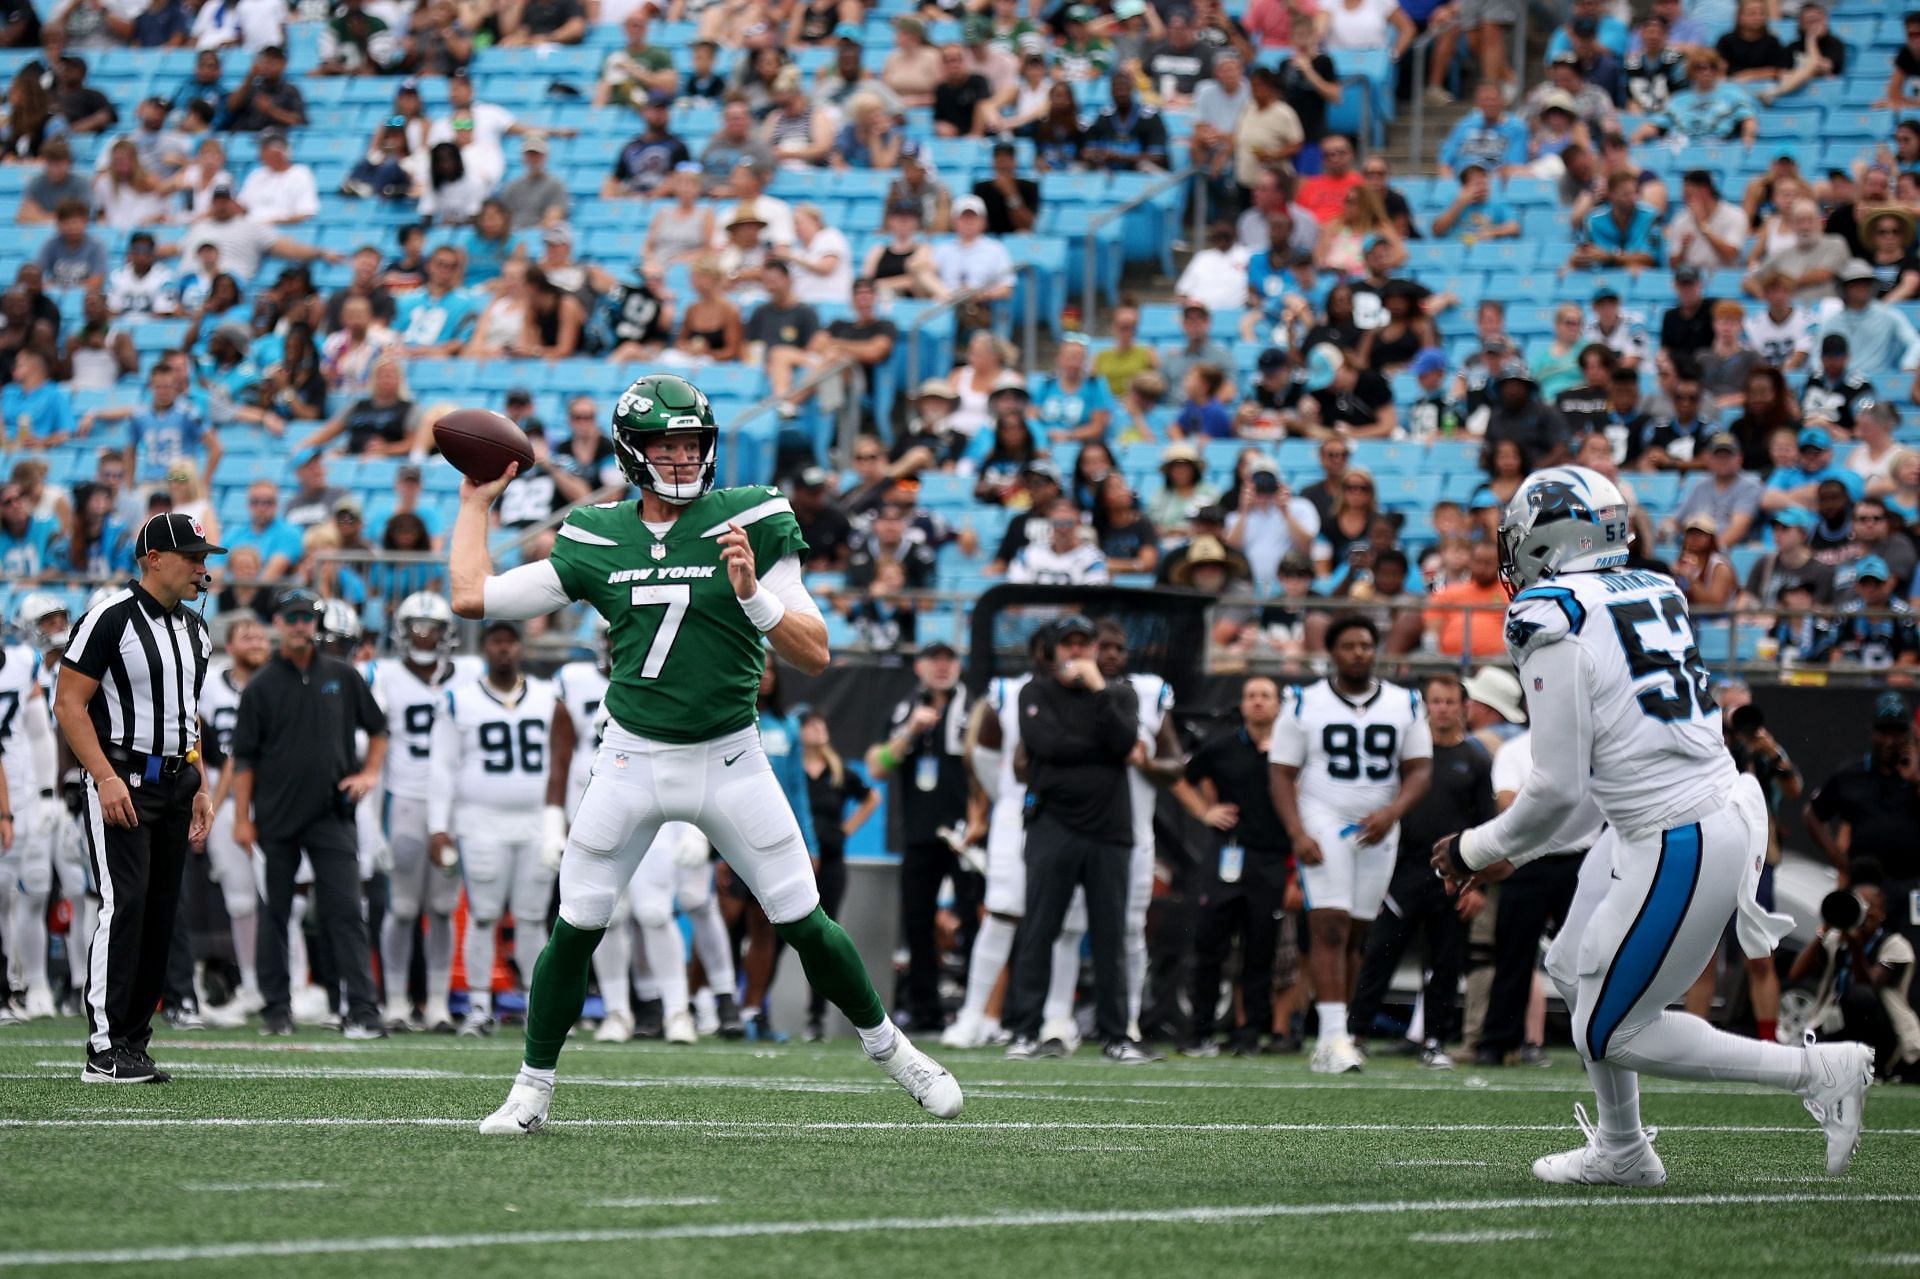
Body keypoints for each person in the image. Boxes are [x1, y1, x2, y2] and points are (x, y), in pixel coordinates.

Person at [451, 374, 962, 1130]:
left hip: (730, 757)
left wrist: (756, 594)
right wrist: (474, 502)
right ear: (633, 452)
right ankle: (531, 1087)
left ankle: (897, 1053)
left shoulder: (751, 516)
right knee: (578, 922)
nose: (684, 457)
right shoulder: (597, 533)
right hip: (630, 757)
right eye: (667, 443)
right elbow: (473, 596)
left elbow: (815, 653)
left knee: (803, 917)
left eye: (692, 442)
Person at [1432, 464, 1875, 1188]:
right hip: (1668, 817)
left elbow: (1556, 787)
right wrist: (1519, 844)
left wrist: (1472, 848)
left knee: (1614, 1027)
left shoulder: (1550, 612)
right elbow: (1585, 787)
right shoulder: (1653, 587)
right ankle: (1622, 1146)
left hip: (1680, 832)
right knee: (1573, 965)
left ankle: (1818, 1067)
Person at [54, 513, 221, 1081]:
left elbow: (184, 713)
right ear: (155, 558)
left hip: (175, 781)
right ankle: (104, 1047)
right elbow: (69, 704)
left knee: (159, 913)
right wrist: (102, 776)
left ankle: (133, 1041)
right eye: (194, 556)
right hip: (122, 777)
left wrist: (197, 779)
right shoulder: (109, 617)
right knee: (123, 906)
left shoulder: (195, 630)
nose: (203, 567)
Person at [1270, 614, 1433, 1074]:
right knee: (1330, 925)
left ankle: (1344, 1030)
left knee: (1359, 933)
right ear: (1332, 652)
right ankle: (1331, 1037)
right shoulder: (1304, 702)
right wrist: (1298, 832)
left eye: (1365, 645)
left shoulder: (1405, 702)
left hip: (1380, 822)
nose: (1358, 653)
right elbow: (1281, 773)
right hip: (1323, 816)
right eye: (1349, 646)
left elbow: (1420, 768)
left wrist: (1392, 812)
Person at [228, 588, 387, 1038]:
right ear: (278, 623)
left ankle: (362, 1009)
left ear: (316, 623)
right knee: (275, 912)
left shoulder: (343, 675)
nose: (300, 625)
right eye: (292, 617)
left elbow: (378, 730)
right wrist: (243, 818)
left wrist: (369, 774)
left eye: (308, 617)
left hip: (332, 814)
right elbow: (244, 759)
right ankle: (277, 1008)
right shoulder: (261, 685)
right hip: (276, 816)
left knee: (345, 911)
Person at [1003, 615, 1156, 1064]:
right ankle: (1026, 1030)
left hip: (1110, 829)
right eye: (1067, 645)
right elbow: (1045, 743)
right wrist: (1099, 744)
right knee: (1039, 929)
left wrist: (1097, 692)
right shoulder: (1034, 691)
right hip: (1053, 825)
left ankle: (1116, 1035)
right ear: (1053, 652)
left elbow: (1125, 740)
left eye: (1083, 645)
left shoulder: (1119, 693)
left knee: (1111, 935)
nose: (1076, 653)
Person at [1349, 673, 1492, 1067]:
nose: (1442, 709)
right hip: (1403, 871)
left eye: (1449, 701)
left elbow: (1486, 827)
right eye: (1436, 701)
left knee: (1445, 962)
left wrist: (1477, 886)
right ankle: (1355, 1033)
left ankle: (1432, 1040)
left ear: (1464, 707)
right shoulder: (1408, 759)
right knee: (1380, 952)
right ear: (1425, 706)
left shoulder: (1476, 759)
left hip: (1453, 878)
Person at [425, 619, 559, 1036]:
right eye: (497, 642)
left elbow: (565, 763)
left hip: (536, 820)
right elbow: (442, 766)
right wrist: (437, 825)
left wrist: (563, 818)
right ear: (485, 648)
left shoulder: (549, 696)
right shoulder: (459, 699)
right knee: (483, 914)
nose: (504, 649)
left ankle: (541, 1007)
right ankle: (480, 1006)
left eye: (511, 642)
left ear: (521, 648)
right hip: (479, 820)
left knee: (534, 917)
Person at [360, 592, 469, 1032]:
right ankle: (399, 1001)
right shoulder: (382, 676)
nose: (424, 636)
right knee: (403, 907)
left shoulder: (468, 676)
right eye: (416, 627)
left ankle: (440, 1003)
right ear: (401, 632)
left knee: (442, 907)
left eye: (433, 628)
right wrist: (372, 824)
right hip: (403, 800)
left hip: (455, 806)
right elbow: (373, 750)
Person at [1173, 674, 1293, 1056]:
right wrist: (1205, 812)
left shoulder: (1292, 751)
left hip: (1271, 859)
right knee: (1210, 945)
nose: (1258, 702)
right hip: (1227, 855)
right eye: (1251, 695)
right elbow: (1179, 778)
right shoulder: (1221, 747)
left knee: (1262, 948)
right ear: (1242, 704)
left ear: (1278, 704)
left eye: (1265, 695)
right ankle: (1200, 1031)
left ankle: (1249, 1033)